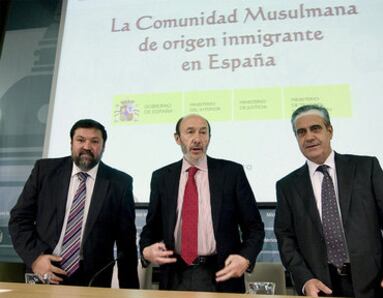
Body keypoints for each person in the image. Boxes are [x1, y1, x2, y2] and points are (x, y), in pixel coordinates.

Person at [274, 104, 383, 298]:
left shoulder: (366, 168)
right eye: (301, 132)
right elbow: (286, 240)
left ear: (329, 130)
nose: (309, 137)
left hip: (376, 284)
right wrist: (304, 279)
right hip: (321, 289)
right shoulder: (287, 186)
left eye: (316, 128)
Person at [139, 114, 264, 293]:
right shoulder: (161, 178)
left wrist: (245, 258)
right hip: (174, 275)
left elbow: (254, 228)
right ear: (177, 138)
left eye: (203, 133)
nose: (197, 139)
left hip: (221, 274)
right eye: (190, 132)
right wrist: (145, 251)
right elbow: (150, 230)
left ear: (209, 138)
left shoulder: (231, 173)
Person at [9, 119, 139, 288]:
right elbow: (19, 220)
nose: (87, 146)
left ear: (103, 146)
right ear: (71, 143)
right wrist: (35, 258)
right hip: (45, 270)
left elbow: (126, 244)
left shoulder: (120, 183)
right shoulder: (45, 171)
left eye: (94, 141)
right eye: (80, 140)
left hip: (93, 280)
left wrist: (129, 291)